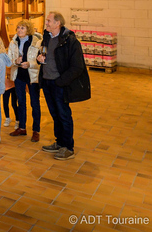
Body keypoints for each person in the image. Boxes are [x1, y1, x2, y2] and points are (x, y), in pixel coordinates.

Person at [37, 11, 91, 160]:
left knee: (64, 115)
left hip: (59, 84)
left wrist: (60, 82)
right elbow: (43, 53)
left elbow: (77, 67)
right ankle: (59, 142)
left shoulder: (71, 41)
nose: (46, 23)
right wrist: (39, 58)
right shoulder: (47, 37)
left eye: (48, 21)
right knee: (55, 115)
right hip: (47, 82)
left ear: (57, 23)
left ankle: (68, 147)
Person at [7, 20, 43, 142]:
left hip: (32, 76)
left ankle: (36, 130)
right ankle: (22, 127)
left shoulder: (37, 42)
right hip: (19, 75)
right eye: (18, 28)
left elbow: (40, 61)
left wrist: (30, 64)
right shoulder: (13, 42)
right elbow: (9, 59)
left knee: (35, 103)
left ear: (28, 30)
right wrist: (15, 61)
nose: (19, 30)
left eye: (22, 28)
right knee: (21, 102)